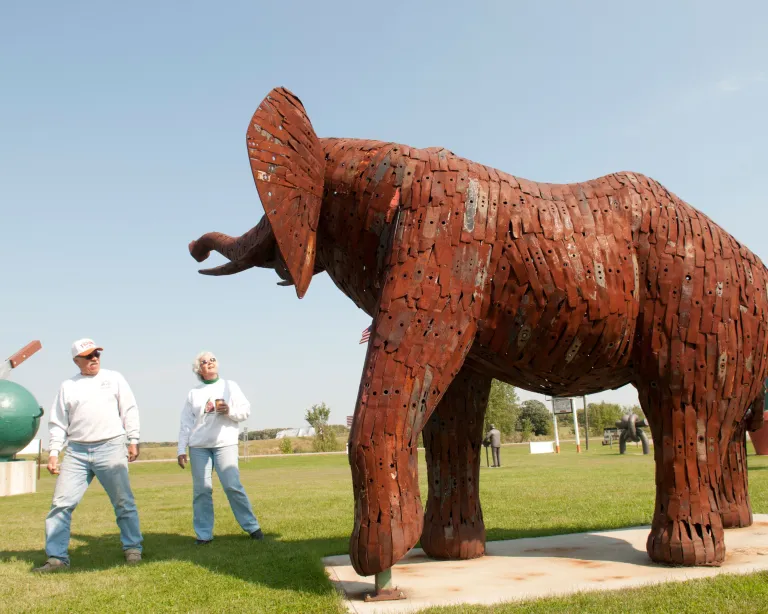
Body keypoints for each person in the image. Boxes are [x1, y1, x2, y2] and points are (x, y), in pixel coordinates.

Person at [33, 339, 143, 572]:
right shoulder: (68, 386)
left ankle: (133, 548)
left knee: (123, 502)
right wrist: (54, 452)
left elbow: (129, 409)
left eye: (97, 354)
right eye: (88, 356)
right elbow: (58, 422)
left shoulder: (114, 378)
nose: (94, 358)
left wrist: (133, 439)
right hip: (76, 452)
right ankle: (57, 558)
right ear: (76, 361)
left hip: (111, 447)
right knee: (61, 504)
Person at [177, 351, 263, 544]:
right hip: (199, 446)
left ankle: (252, 527)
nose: (209, 363)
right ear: (198, 369)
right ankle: (203, 535)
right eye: (204, 362)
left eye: (212, 360)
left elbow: (245, 411)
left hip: (225, 444)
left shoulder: (230, 386)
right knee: (202, 490)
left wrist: (229, 411)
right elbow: (186, 423)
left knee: (232, 486)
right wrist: (181, 449)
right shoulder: (193, 393)